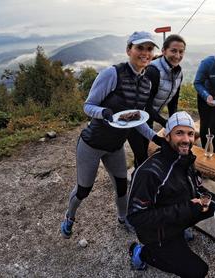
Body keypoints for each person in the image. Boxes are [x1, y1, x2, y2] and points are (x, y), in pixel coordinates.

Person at [60, 31, 159, 238]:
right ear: (128, 50)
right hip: (92, 144)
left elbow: (137, 120)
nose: (145, 53)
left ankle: (123, 218)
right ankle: (70, 216)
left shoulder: (147, 83)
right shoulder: (112, 74)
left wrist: (155, 137)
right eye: (140, 48)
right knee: (83, 190)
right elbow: (88, 106)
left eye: (149, 49)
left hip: (115, 147)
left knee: (122, 187)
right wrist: (103, 113)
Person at [126, 111, 215, 277]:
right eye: (179, 133)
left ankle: (180, 231)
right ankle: (142, 253)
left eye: (190, 134)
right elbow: (136, 217)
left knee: (212, 208)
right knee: (199, 271)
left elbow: (198, 190)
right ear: (167, 136)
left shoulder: (184, 159)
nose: (186, 139)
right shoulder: (149, 173)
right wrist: (187, 209)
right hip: (157, 233)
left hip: (177, 215)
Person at [128, 34, 186, 168]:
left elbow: (173, 101)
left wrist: (174, 123)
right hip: (136, 117)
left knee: (145, 152)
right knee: (141, 156)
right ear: (164, 51)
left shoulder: (178, 73)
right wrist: (165, 123)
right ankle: (138, 184)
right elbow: (145, 105)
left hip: (149, 116)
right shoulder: (153, 71)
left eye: (181, 51)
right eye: (173, 51)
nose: (177, 55)